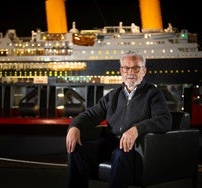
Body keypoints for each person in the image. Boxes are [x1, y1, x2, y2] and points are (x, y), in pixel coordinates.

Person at [65, 50, 172, 188]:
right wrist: (75, 127)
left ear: (144, 71)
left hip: (135, 147)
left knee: (121, 154)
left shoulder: (153, 94)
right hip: (110, 143)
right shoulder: (112, 96)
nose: (130, 72)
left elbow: (164, 120)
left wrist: (136, 129)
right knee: (77, 151)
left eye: (136, 68)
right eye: (126, 68)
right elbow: (90, 115)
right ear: (121, 71)